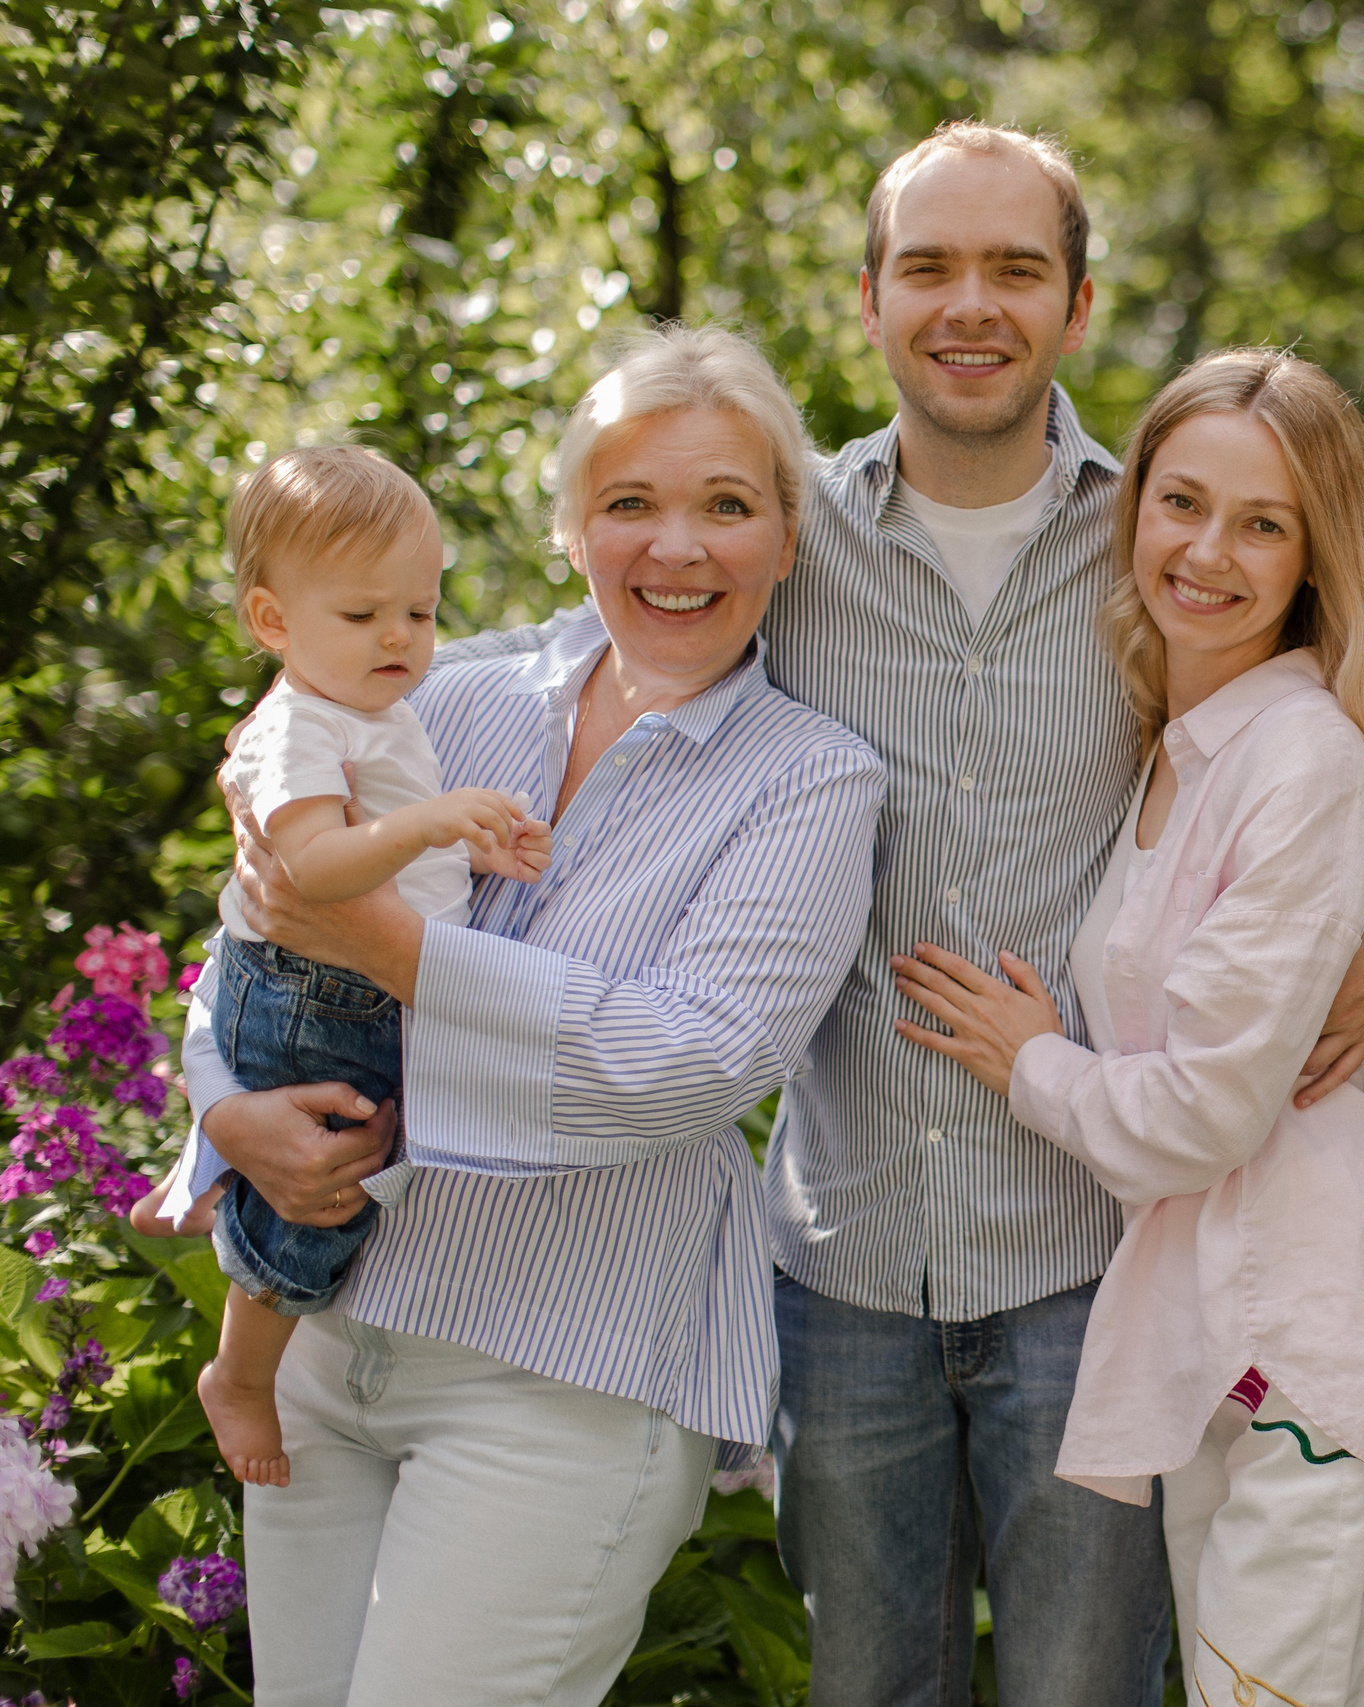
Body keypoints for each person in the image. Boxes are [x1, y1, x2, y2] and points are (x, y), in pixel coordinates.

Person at [749, 124, 1364, 1705]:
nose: (970, 304)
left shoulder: (1161, 530)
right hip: (849, 1250)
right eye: (928, 265)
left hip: (1095, 1259)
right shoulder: (779, 539)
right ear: (868, 297)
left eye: (1016, 267)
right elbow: (605, 648)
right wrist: (318, 749)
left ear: (1077, 305)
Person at [150, 326, 884, 1704]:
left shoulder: (812, 782)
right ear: (569, 528)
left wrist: (385, 943)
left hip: (562, 1377)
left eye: (727, 504)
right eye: (629, 503)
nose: (677, 546)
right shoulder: (440, 694)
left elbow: (686, 1061)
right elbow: (252, 936)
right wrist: (224, 1110)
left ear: (789, 538)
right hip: (326, 1337)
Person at [892, 350, 1364, 1707]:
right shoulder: (1184, 742)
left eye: (1263, 522)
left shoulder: (1301, 758)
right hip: (1228, 1356)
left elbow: (1204, 1117)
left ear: (1314, 559)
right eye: (1183, 502)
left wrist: (1030, 1059)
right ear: (1135, 507)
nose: (1208, 550)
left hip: (1327, 1377)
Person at [174, 446, 552, 1489]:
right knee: (320, 1203)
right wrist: (434, 819)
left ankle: (225, 1222)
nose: (399, 637)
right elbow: (312, 866)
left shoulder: (368, 712)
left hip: (356, 986)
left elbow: (383, 847)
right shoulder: (296, 727)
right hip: (311, 995)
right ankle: (239, 1376)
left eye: (420, 613)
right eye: (362, 615)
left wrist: (464, 845)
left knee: (341, 1181)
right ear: (273, 622)